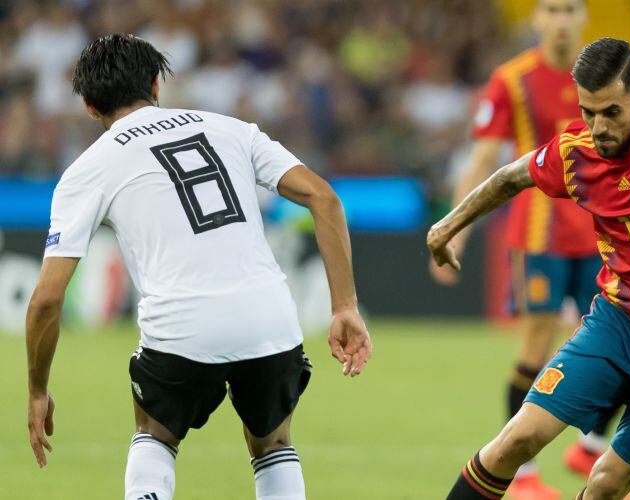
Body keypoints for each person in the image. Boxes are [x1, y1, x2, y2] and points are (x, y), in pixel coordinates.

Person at [24, 34, 373, 500]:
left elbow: (48, 299)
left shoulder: (87, 170)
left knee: (155, 435)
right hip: (266, 316)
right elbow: (324, 198)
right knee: (272, 446)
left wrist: (37, 390)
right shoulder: (232, 129)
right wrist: (344, 306)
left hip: (181, 327)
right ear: (155, 85)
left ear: (89, 106)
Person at [430, 37, 630, 500]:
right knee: (515, 440)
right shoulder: (575, 154)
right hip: (620, 323)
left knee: (607, 482)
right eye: (588, 112)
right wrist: (447, 225)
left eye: (611, 112)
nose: (598, 126)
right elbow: (509, 177)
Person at [431, 1, 612, 496]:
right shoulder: (512, 80)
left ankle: (592, 448)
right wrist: (455, 228)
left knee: (623, 340)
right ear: (536, 19)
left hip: (602, 229)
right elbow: (485, 157)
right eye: (551, 9)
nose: (560, 19)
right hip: (540, 234)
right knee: (536, 345)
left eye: (569, 8)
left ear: (583, 17)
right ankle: (524, 475)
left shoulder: (604, 78)